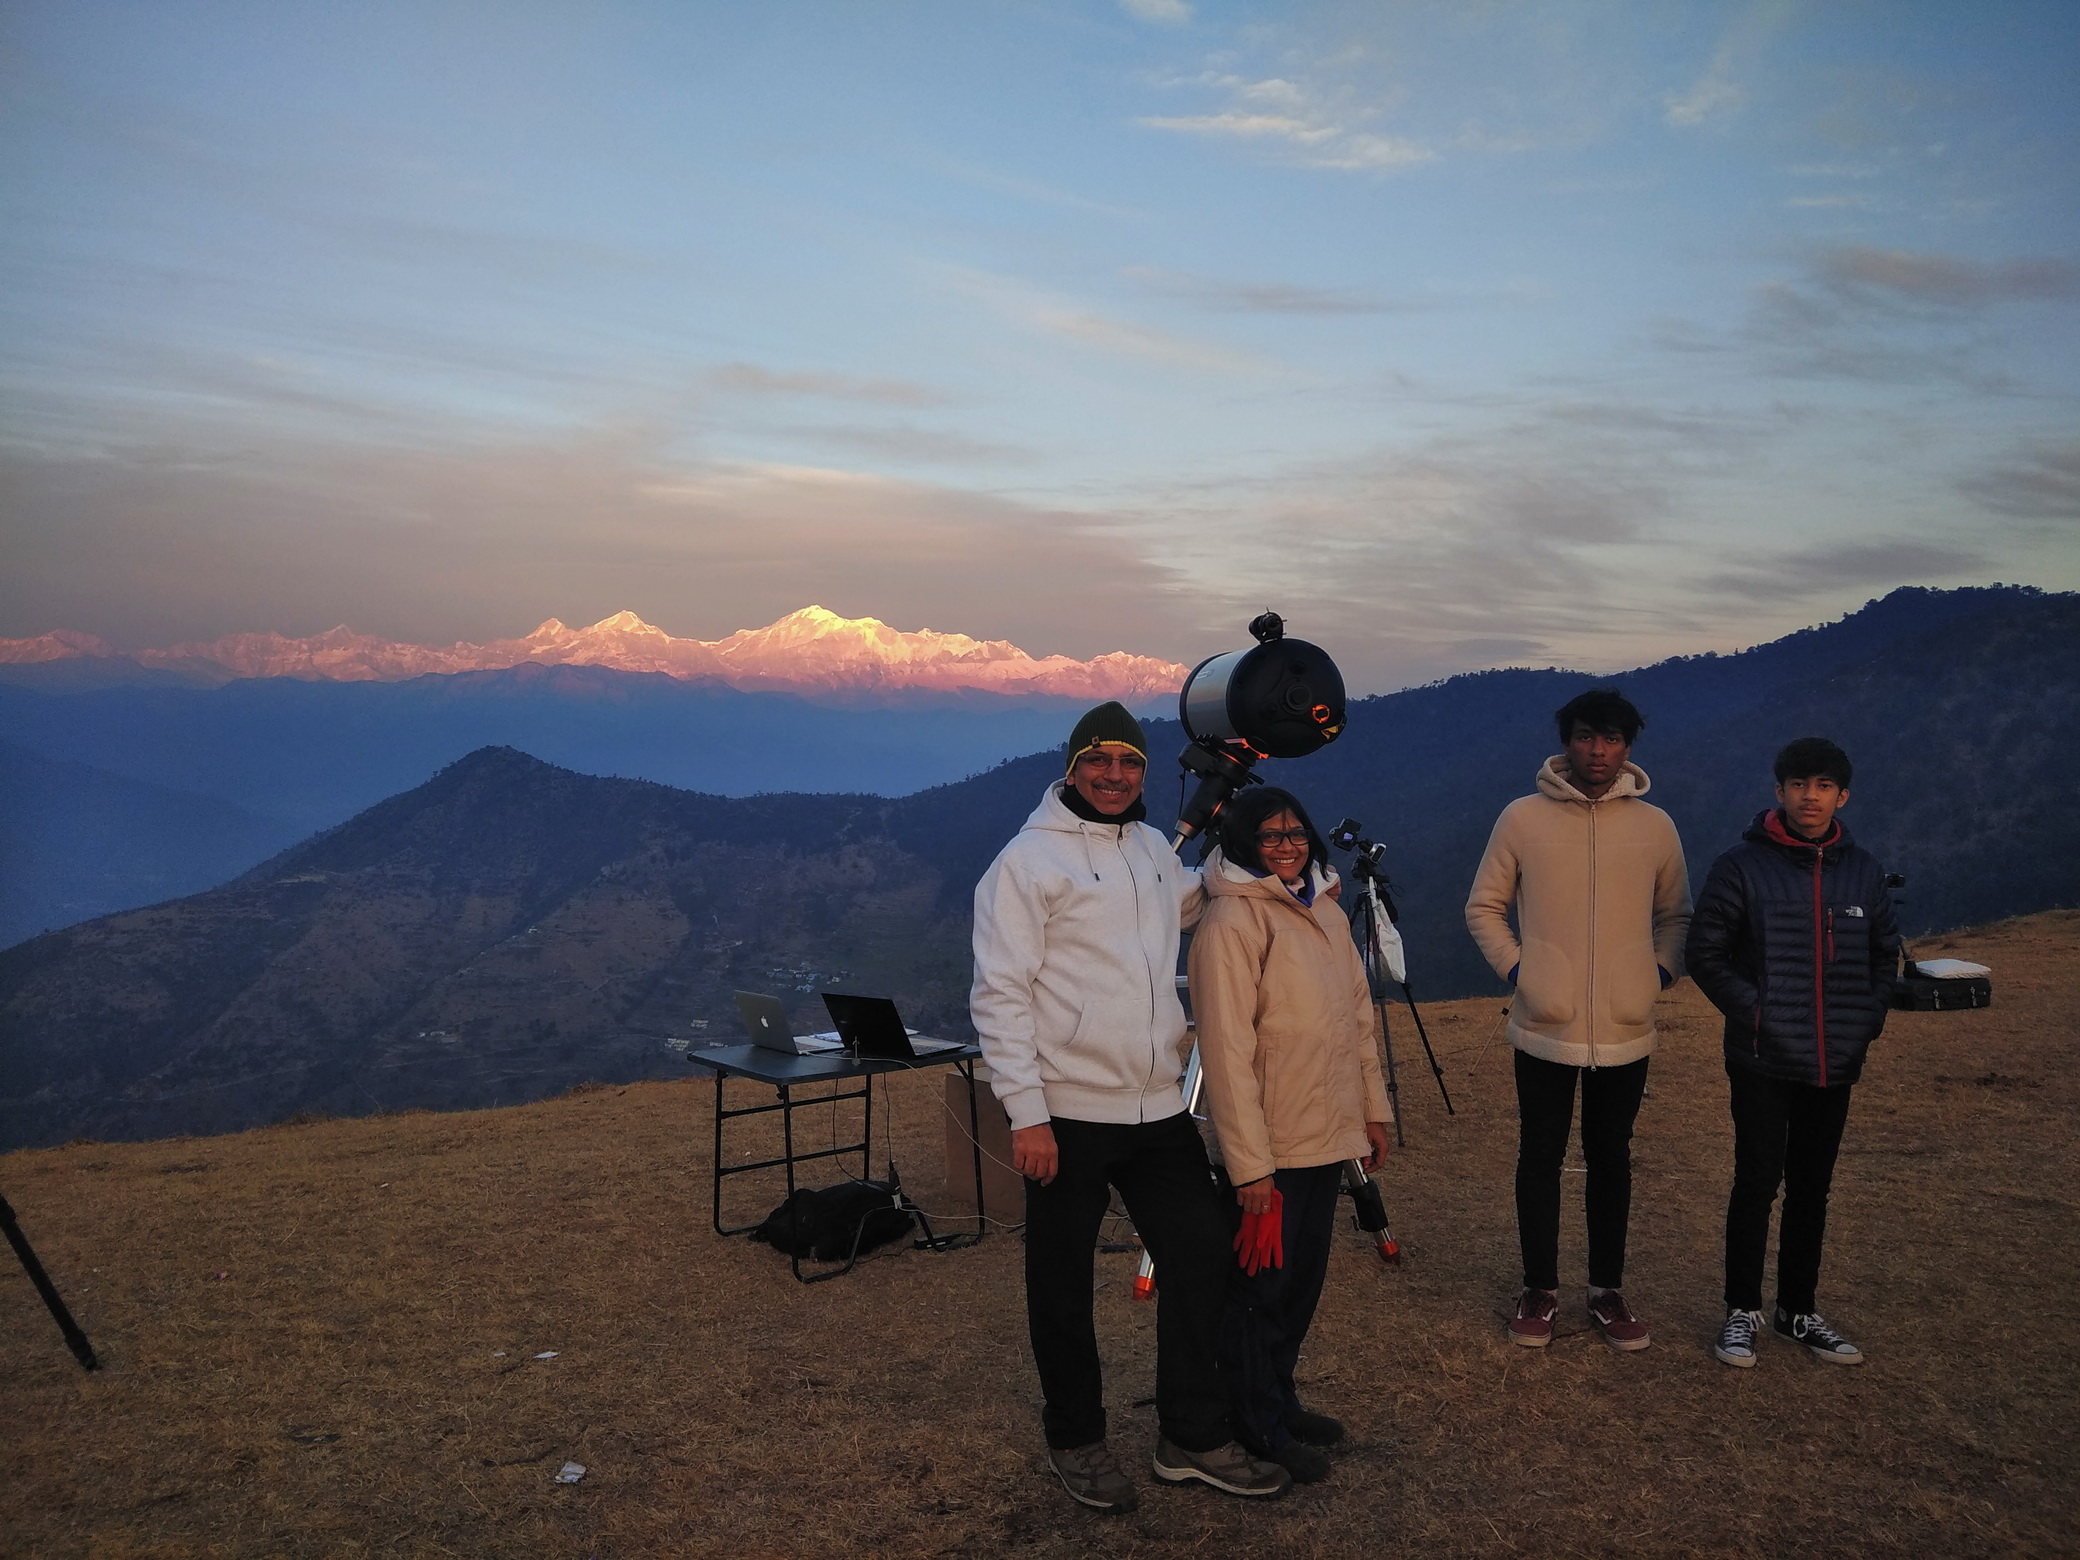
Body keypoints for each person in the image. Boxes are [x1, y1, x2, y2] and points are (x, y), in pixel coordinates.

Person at [970, 701, 1290, 1512]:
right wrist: (1026, 1111)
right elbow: (1000, 993)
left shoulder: (1152, 849)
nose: (1115, 777)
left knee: (1203, 1254)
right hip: (1068, 1112)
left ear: (1146, 773)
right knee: (1061, 1283)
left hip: (1155, 1108)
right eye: (1099, 762)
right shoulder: (1026, 863)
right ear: (1072, 767)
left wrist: (1276, 861)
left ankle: (1189, 1431)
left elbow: (1186, 902)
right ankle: (1074, 1439)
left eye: (1130, 764)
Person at [1466, 688, 1691, 1351]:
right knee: (1539, 1155)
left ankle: (1607, 1290)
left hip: (1626, 1022)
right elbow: (1484, 906)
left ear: (1630, 747)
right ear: (1567, 740)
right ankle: (1539, 1288)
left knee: (1611, 1158)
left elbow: (1676, 915)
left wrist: (1653, 978)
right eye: (1588, 736)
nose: (1599, 751)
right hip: (1544, 1020)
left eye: (1613, 739)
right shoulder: (1521, 818)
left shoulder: (1656, 827)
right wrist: (1522, 973)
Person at [1188, 786, 1392, 1485]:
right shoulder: (1232, 921)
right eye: (1268, 834)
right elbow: (1225, 1051)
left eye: (1294, 831)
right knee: (1260, 1292)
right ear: (1243, 840)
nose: (1284, 844)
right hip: (1271, 1145)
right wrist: (1249, 1169)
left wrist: (1372, 1109)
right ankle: (1256, 1422)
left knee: (1300, 1283)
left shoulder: (1325, 911)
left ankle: (1279, 1396)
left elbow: (1356, 1019)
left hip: (1324, 1132)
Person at [1686, 737, 1900, 1368]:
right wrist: (1757, 1013)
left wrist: (1866, 1018)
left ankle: (1797, 1311)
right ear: (1778, 791)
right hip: (1761, 1054)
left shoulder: (1861, 869)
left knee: (1814, 1184)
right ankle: (1741, 1312)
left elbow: (1884, 953)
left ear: (1843, 796)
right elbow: (1706, 953)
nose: (1812, 796)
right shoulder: (1741, 866)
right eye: (1800, 784)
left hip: (1835, 1056)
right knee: (1757, 1179)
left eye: (1825, 786)